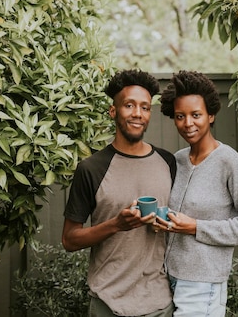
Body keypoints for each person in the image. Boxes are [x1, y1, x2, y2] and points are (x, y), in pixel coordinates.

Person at [62, 69, 176, 317]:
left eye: (145, 107)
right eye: (129, 105)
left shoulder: (168, 163)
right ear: (113, 111)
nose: (138, 113)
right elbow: (69, 240)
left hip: (158, 304)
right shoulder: (91, 169)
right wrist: (116, 224)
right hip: (107, 304)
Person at [157, 70, 238, 317]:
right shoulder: (179, 161)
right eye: (180, 116)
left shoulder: (229, 162)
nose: (188, 123)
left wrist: (196, 227)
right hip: (169, 278)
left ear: (211, 115)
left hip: (203, 285)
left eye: (196, 115)